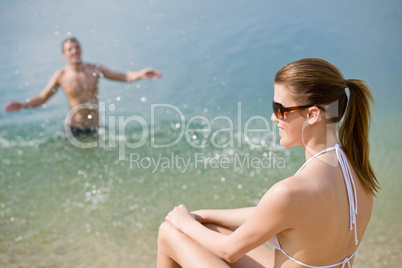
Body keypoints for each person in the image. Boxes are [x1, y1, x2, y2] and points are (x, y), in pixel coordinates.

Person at [157, 58, 380, 268]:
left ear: (313, 115)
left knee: (169, 232)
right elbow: (274, 213)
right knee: (207, 227)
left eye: (279, 109)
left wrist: (184, 222)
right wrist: (203, 215)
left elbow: (229, 252)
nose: (273, 118)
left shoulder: (292, 191)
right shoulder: (356, 168)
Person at [3, 37, 162, 137]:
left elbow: (123, 76)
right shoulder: (61, 75)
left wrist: (140, 74)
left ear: (81, 49)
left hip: (97, 126)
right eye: (69, 49)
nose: (74, 51)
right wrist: (24, 105)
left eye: (76, 47)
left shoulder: (95, 69)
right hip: (74, 128)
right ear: (63, 54)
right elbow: (43, 97)